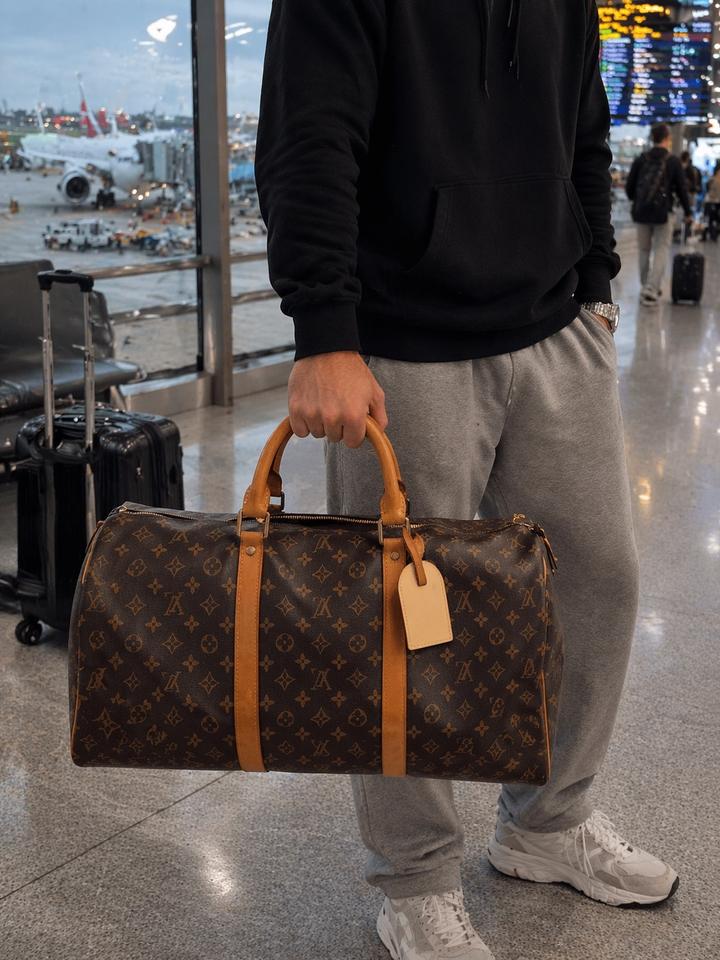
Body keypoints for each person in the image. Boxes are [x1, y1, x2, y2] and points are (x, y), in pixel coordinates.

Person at [255, 3, 679, 958]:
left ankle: (547, 825)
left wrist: (597, 282)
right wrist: (324, 331)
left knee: (598, 582)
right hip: (401, 344)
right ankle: (414, 879)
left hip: (556, 323)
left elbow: (583, 129)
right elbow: (306, 138)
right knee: (398, 616)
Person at [625, 123, 692, 307]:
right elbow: (682, 189)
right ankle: (652, 289)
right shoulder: (673, 161)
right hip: (663, 213)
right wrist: (688, 212)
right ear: (667, 138)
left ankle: (645, 286)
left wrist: (640, 200)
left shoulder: (641, 159)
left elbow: (629, 188)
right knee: (661, 249)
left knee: (644, 250)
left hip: (641, 213)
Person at [680, 149, 702, 214]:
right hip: (689, 191)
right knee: (689, 207)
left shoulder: (685, 167)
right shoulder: (690, 168)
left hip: (687, 190)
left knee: (685, 208)